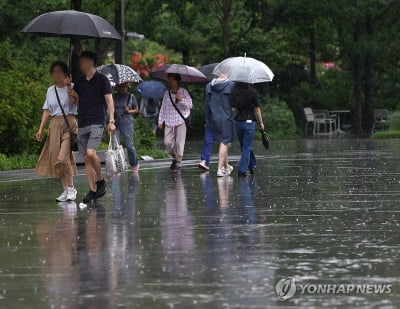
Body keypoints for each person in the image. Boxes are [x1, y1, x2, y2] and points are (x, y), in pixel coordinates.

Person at [70, 51, 115, 203]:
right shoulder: (78, 81)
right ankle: (92, 191)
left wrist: (111, 120)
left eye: (82, 61)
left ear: (90, 62)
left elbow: (109, 101)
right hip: (82, 121)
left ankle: (100, 180)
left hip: (97, 121)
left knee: (90, 153)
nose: (80, 63)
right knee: (86, 159)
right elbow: (74, 101)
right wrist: (70, 90)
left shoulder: (102, 80)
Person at [35, 61, 78, 202]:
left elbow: (74, 102)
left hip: (69, 123)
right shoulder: (50, 90)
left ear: (66, 74)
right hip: (54, 124)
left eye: (59, 71)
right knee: (56, 160)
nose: (56, 74)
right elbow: (47, 110)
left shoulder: (72, 87)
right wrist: (41, 128)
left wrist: (69, 87)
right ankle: (65, 190)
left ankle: (71, 188)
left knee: (63, 158)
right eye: (54, 72)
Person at [201, 74, 236, 177]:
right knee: (224, 142)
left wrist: (207, 120)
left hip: (213, 117)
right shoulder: (231, 85)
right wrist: (233, 116)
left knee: (222, 143)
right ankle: (220, 169)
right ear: (227, 73)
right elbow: (234, 103)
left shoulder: (208, 86)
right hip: (227, 118)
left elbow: (207, 104)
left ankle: (227, 166)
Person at [158, 73, 192, 173]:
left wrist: (181, 99)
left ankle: (178, 164)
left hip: (181, 120)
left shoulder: (183, 92)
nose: (169, 81)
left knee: (179, 143)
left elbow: (190, 105)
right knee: (167, 143)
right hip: (169, 121)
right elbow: (163, 107)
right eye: (169, 79)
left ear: (177, 81)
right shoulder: (166, 93)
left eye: (172, 79)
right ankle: (175, 157)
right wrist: (160, 120)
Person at [231, 83, 265, 177]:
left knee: (245, 147)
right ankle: (242, 170)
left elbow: (233, 109)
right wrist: (261, 123)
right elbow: (257, 109)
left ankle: (252, 164)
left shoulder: (235, 92)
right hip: (249, 123)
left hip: (239, 122)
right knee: (247, 147)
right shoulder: (252, 92)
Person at [114, 83, 139, 173]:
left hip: (127, 123)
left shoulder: (131, 97)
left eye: (124, 87)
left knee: (129, 146)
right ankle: (117, 167)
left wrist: (129, 111)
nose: (122, 89)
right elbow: (110, 108)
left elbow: (136, 109)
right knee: (115, 146)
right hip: (116, 123)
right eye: (120, 87)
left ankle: (134, 164)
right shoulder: (114, 96)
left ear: (127, 87)